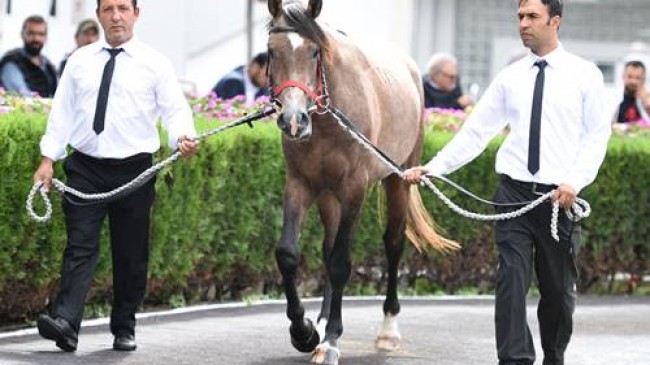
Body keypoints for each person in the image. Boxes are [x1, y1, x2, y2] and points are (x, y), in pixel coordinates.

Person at [403, 1, 611, 364]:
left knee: (558, 294)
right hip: (512, 194)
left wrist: (574, 182)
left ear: (555, 21)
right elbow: (476, 132)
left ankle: (554, 356)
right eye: (520, 17)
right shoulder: (510, 77)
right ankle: (515, 360)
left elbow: (596, 137)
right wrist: (434, 168)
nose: (523, 24)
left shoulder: (585, 74)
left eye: (532, 17)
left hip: (557, 201)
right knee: (511, 281)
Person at [32, 0, 198, 353]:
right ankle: (66, 323)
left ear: (136, 14)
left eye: (123, 7)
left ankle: (124, 325)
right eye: (108, 8)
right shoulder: (79, 61)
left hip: (134, 171)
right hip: (85, 167)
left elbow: (174, 111)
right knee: (80, 246)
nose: (116, 15)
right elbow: (61, 114)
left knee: (130, 253)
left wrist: (181, 136)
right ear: (99, 15)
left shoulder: (155, 64)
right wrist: (48, 160)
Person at [0, 15, 57, 97]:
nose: (36, 38)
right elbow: (23, 97)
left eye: (41, 34)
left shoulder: (48, 66)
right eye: (31, 33)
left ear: (46, 37)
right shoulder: (11, 62)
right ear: (22, 34)